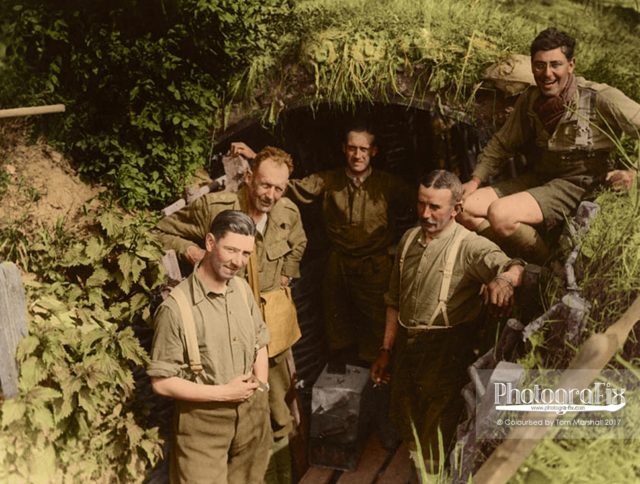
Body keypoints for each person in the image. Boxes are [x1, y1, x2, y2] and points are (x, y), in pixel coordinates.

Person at [155, 146, 307, 480]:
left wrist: (286, 272)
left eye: (279, 188)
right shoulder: (216, 207)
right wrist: (191, 251)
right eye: (265, 185)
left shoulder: (287, 212)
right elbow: (161, 230)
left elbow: (299, 241)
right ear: (250, 177)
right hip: (218, 322)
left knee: (278, 414)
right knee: (223, 417)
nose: (270, 195)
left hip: (268, 330)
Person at [371, 170, 525, 471]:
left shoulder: (469, 246)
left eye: (435, 207)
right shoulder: (408, 239)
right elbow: (394, 301)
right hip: (407, 348)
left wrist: (505, 281)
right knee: (408, 421)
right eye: (421, 204)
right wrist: (386, 350)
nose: (425, 214)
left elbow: (514, 265)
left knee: (437, 432)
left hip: (444, 353)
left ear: (456, 209)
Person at [232, 126, 415, 365]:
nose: (357, 155)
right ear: (344, 149)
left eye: (363, 149)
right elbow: (291, 186)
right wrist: (257, 159)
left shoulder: (388, 184)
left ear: (374, 152)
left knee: (376, 323)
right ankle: (342, 383)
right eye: (352, 148)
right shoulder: (329, 180)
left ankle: (376, 379)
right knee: (337, 325)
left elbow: (418, 205)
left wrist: (398, 248)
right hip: (338, 265)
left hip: (374, 267)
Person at [459, 27, 639, 264]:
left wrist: (634, 173)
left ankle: (545, 269)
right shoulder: (531, 100)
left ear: (571, 65)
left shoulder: (599, 97)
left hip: (581, 183)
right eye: (539, 65)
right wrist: (475, 180)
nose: (547, 74)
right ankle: (515, 260)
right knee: (464, 208)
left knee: (500, 214)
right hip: (543, 177)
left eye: (556, 65)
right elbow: (502, 143)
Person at [148, 210, 270, 483]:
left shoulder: (242, 290)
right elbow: (161, 382)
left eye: (246, 254)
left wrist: (261, 385)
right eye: (231, 250)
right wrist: (224, 393)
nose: (238, 261)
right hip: (203, 426)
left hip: (252, 416)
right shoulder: (176, 309)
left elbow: (260, 342)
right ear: (211, 243)